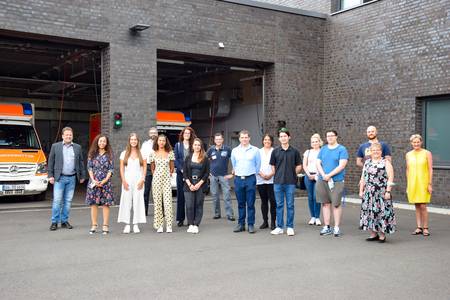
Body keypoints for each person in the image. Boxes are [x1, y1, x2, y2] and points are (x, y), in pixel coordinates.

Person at [48, 127, 86, 231]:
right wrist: (50, 175)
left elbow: (81, 162)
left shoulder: (77, 147)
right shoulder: (55, 146)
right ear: (62, 136)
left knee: (68, 201)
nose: (68, 136)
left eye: (70, 135)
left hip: (72, 178)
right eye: (66, 135)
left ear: (72, 136)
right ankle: (54, 222)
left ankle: (64, 221)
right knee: (57, 201)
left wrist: (82, 175)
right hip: (59, 178)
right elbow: (50, 162)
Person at [359, 143, 396, 243]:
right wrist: (361, 190)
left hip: (381, 192)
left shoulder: (386, 162)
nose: (375, 152)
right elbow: (363, 177)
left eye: (378, 150)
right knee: (370, 212)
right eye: (373, 150)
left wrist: (388, 191)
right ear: (370, 151)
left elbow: (391, 178)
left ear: (381, 151)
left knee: (381, 212)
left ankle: (382, 235)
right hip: (369, 192)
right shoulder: (367, 162)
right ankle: (373, 233)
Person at [316, 130, 348, 237]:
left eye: (332, 136)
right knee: (325, 203)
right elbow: (318, 163)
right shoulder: (323, 149)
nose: (329, 138)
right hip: (323, 180)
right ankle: (327, 226)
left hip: (337, 181)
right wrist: (323, 175)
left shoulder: (342, 149)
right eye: (327, 136)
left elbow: (342, 165)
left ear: (336, 137)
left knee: (336, 204)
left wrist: (329, 175)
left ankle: (337, 228)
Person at [270, 128, 302, 236]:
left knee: (290, 205)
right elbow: (272, 166)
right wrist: (277, 175)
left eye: (285, 136)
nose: (283, 138)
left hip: (290, 183)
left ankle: (290, 227)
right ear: (279, 138)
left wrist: (293, 173)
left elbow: (299, 165)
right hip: (278, 182)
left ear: (289, 137)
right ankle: (279, 227)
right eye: (281, 136)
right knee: (279, 205)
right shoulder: (275, 151)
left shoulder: (295, 151)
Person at [230, 130, 261, 234]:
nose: (244, 139)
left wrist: (251, 173)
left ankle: (251, 224)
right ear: (239, 139)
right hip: (238, 179)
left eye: (246, 137)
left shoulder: (255, 150)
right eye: (242, 137)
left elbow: (258, 165)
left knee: (251, 203)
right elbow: (234, 164)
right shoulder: (234, 151)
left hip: (250, 179)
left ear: (249, 138)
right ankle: (241, 224)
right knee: (240, 203)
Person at [117, 133, 147, 234]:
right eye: (132, 139)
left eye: (135, 139)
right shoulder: (124, 153)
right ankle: (127, 224)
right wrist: (123, 181)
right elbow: (121, 169)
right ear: (129, 141)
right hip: (127, 179)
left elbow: (144, 169)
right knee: (126, 201)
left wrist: (142, 180)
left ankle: (135, 224)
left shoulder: (142, 153)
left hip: (138, 179)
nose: (133, 141)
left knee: (138, 201)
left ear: (138, 141)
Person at [86, 134, 115, 235]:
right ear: (97, 142)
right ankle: (94, 224)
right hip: (93, 182)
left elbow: (111, 169)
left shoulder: (109, 154)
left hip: (105, 183)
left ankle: (105, 225)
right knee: (94, 204)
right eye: (100, 141)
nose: (102, 143)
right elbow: (90, 168)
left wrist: (104, 180)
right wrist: (93, 180)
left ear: (106, 143)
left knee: (105, 204)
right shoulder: (92, 154)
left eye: (104, 141)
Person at [406, 134, 433, 237]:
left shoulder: (427, 153)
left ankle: (425, 228)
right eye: (414, 142)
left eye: (418, 142)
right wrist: (408, 185)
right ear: (411, 143)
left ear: (421, 142)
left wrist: (430, 184)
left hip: (423, 182)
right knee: (416, 205)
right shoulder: (408, 154)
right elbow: (408, 170)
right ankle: (419, 227)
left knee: (423, 205)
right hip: (413, 182)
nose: (416, 144)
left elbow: (430, 169)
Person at [183, 138, 210, 234]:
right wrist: (190, 184)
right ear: (192, 146)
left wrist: (199, 184)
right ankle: (190, 224)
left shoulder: (205, 158)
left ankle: (196, 224)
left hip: (200, 185)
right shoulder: (188, 157)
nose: (197, 146)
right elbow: (185, 173)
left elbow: (207, 173)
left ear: (201, 146)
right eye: (195, 145)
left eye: (199, 145)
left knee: (199, 205)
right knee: (189, 205)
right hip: (188, 185)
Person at [207, 132, 235, 221]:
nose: (218, 141)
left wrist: (233, 172)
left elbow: (235, 160)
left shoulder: (227, 149)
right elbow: (204, 160)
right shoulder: (211, 149)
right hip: (213, 176)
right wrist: (207, 172)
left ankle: (230, 214)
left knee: (226, 195)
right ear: (214, 140)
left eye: (220, 139)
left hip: (224, 176)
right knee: (215, 195)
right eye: (217, 139)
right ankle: (217, 213)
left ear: (222, 140)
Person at [150, 134, 175, 233]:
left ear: (166, 142)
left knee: (168, 202)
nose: (161, 142)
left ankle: (169, 225)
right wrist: (156, 176)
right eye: (160, 140)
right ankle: (159, 225)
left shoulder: (170, 153)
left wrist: (168, 174)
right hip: (156, 181)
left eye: (163, 141)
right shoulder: (153, 154)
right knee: (158, 203)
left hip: (166, 181)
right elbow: (152, 168)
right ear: (157, 141)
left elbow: (172, 167)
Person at [174, 127, 196, 227]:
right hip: (180, 174)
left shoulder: (194, 145)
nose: (187, 134)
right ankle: (180, 219)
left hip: (191, 174)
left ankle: (190, 219)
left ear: (191, 134)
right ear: (182, 134)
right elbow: (176, 159)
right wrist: (182, 169)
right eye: (185, 133)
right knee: (181, 197)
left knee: (191, 198)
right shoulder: (178, 145)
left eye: (189, 133)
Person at [256, 134, 276, 230]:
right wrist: (261, 174)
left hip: (272, 180)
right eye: (265, 139)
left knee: (273, 201)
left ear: (271, 141)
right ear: (262, 141)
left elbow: (277, 165)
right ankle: (265, 222)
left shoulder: (275, 151)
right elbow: (255, 165)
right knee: (264, 202)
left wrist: (271, 174)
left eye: (269, 139)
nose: (267, 141)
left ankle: (273, 222)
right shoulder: (258, 152)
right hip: (261, 179)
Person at [303, 133, 322, 226]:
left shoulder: (322, 152)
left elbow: (323, 165)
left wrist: (317, 175)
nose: (314, 143)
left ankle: (317, 217)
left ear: (319, 142)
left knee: (316, 197)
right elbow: (304, 165)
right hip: (308, 176)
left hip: (318, 176)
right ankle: (312, 217)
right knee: (310, 197)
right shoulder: (308, 152)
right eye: (313, 142)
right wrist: (309, 174)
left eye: (316, 141)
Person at [141, 127, 159, 216]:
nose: (153, 134)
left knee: (158, 191)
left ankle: (159, 211)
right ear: (149, 134)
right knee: (146, 191)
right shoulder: (145, 144)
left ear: (157, 133)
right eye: (151, 132)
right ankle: (144, 211)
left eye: (155, 132)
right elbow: (142, 156)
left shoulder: (161, 143)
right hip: (147, 167)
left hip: (158, 167)